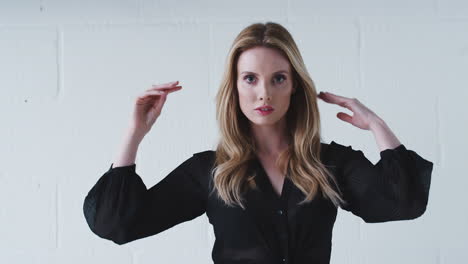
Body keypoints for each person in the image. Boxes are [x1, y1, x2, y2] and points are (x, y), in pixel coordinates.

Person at [83, 22, 434, 264]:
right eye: (250, 78)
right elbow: (118, 224)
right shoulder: (210, 171)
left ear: (294, 85)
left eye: (278, 78)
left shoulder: (329, 164)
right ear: (234, 87)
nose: (264, 92)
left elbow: (404, 203)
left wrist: (377, 125)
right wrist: (134, 135)